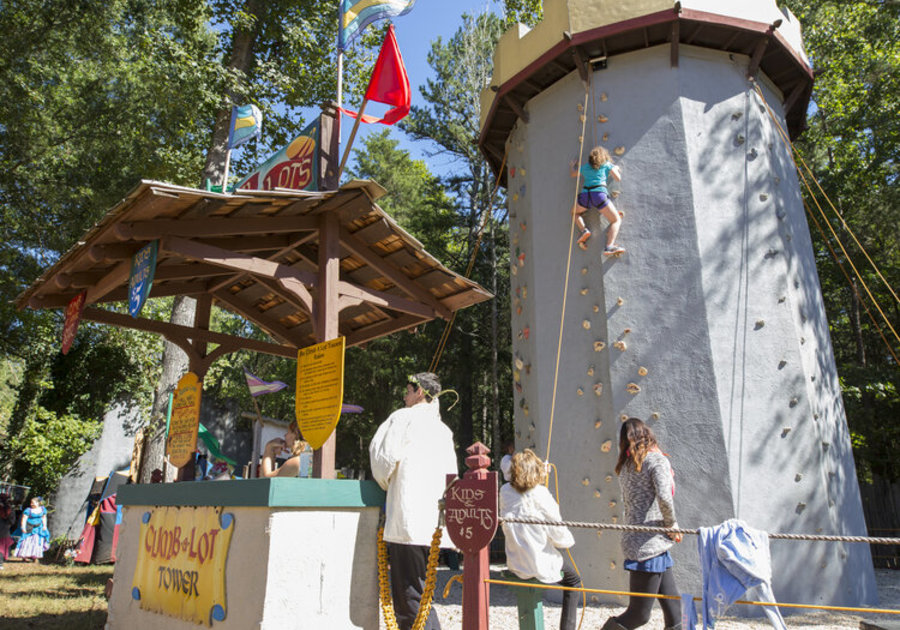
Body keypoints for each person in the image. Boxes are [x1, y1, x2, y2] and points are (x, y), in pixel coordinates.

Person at [369, 372, 458, 630]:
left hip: (408, 519)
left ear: (420, 392)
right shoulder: (444, 430)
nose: (404, 396)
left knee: (409, 596)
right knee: (423, 591)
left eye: (408, 390)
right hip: (434, 523)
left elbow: (382, 459)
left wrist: (387, 486)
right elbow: (450, 478)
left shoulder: (402, 418)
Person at [601, 418, 682, 630]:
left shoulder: (626, 465)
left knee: (674, 608)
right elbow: (665, 498)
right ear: (647, 434)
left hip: (645, 541)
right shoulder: (656, 460)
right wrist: (672, 525)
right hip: (649, 544)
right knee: (638, 615)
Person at [500, 449, 583, 630]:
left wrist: (537, 472)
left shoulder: (504, 491)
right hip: (537, 562)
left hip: (515, 560)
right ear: (534, 471)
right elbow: (558, 532)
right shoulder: (541, 493)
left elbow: (512, 474)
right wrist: (568, 541)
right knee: (574, 582)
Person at [569, 146, 624, 255]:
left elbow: (572, 174)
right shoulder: (607, 165)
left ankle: (584, 230)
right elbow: (618, 178)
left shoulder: (585, 167)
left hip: (585, 195)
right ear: (604, 156)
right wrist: (615, 168)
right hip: (599, 195)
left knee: (574, 213)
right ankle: (609, 246)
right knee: (616, 220)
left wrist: (572, 167)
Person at [15, 496, 50, 562]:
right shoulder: (28, 510)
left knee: (37, 542)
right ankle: (24, 556)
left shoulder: (42, 509)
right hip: (29, 527)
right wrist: (23, 527)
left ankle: (35, 556)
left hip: (38, 528)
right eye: (31, 503)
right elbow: (24, 519)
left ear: (38, 503)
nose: (31, 504)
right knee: (27, 541)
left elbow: (44, 518)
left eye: (33, 503)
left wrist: (45, 526)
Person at [0, 494, 14, 569]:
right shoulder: (10, 509)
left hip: (3, 530)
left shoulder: (8, 509)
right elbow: (12, 521)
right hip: (4, 530)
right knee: (1, 547)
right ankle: (0, 563)